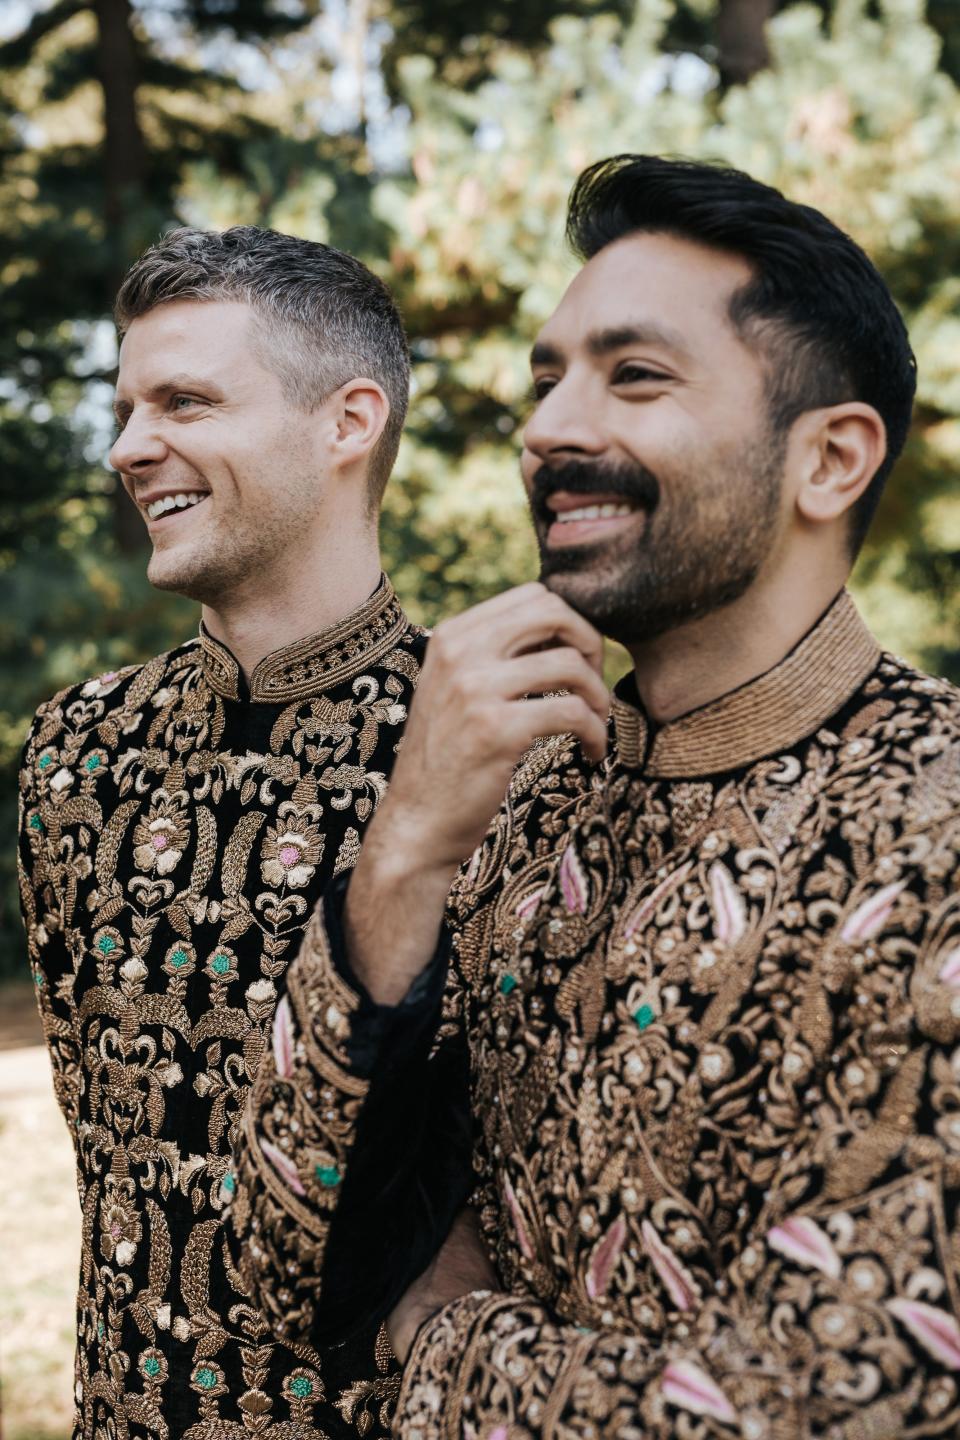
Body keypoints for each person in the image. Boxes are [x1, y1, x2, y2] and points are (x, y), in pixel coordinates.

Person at [232, 155, 960, 1437]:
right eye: (546, 377)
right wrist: (402, 847)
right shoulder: (516, 801)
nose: (549, 428)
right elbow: (277, 1264)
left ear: (832, 459)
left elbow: (829, 1403)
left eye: (634, 375)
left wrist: (437, 1339)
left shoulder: (936, 824)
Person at [17, 224, 424, 1440]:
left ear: (350, 422)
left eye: (185, 402)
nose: (130, 448)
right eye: (128, 406)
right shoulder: (73, 752)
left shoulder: (511, 752)